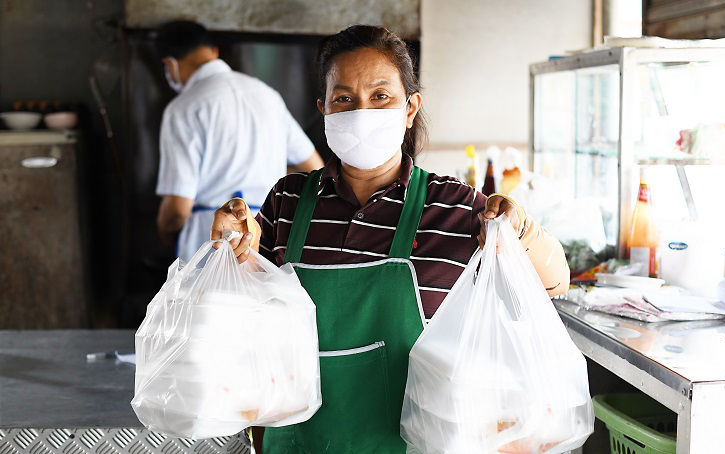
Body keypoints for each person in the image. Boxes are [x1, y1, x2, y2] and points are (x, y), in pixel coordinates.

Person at [211, 25, 570, 454]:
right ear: (323, 108)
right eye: (344, 99)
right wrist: (231, 249)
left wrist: (519, 230)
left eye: (380, 96)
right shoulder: (288, 199)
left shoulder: (453, 207)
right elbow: (244, 311)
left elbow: (553, 283)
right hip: (297, 443)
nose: (361, 111)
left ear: (410, 107)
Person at [154, 20, 324, 261]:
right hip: (267, 237)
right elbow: (314, 170)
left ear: (170, 64)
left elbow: (176, 211)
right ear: (213, 52)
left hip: (208, 241)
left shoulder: (183, 108)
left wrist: (165, 235)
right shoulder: (268, 96)